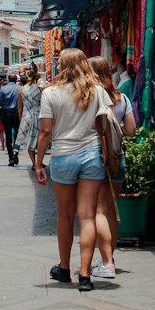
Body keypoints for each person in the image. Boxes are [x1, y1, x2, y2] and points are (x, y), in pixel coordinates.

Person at [34, 48, 111, 292]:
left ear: (62, 66)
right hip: (91, 155)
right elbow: (104, 125)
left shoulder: (51, 94)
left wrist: (38, 162)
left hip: (63, 156)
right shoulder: (97, 90)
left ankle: (65, 268)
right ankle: (86, 276)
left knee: (65, 216)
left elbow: (45, 131)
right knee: (87, 216)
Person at [88, 55, 136, 277]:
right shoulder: (122, 98)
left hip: (96, 157)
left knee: (98, 211)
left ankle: (107, 263)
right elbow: (131, 130)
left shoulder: (90, 98)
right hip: (117, 158)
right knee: (111, 211)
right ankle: (110, 258)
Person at [16, 63, 43, 163]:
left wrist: (20, 118)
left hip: (26, 115)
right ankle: (39, 162)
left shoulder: (21, 90)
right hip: (38, 115)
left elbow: (19, 106)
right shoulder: (40, 89)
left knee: (29, 139)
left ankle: (34, 163)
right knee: (39, 139)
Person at [0, 72, 21, 165]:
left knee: (7, 135)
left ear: (8, 79)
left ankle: (10, 158)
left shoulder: (3, 89)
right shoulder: (20, 88)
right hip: (16, 113)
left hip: (6, 113)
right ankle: (16, 151)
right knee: (17, 135)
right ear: (16, 80)